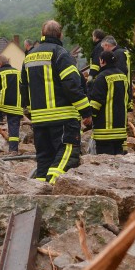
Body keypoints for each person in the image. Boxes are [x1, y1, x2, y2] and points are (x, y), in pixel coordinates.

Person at [21, 20, 93, 183]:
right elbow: (72, 86)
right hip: (63, 118)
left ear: (42, 34)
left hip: (39, 120)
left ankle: (39, 191)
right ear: (60, 35)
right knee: (67, 155)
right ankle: (52, 187)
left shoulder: (29, 57)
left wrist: (28, 110)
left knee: (44, 159)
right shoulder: (61, 54)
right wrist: (86, 112)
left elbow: (23, 88)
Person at [88, 50, 128, 155]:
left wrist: (89, 115)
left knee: (106, 164)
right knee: (118, 164)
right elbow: (126, 98)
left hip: (104, 131)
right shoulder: (123, 76)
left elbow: (96, 101)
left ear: (102, 61)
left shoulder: (102, 77)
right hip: (120, 129)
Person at [101, 36, 133, 109]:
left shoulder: (118, 54)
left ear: (107, 45)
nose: (103, 50)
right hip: (126, 89)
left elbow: (119, 74)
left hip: (123, 91)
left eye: (103, 47)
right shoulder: (122, 52)